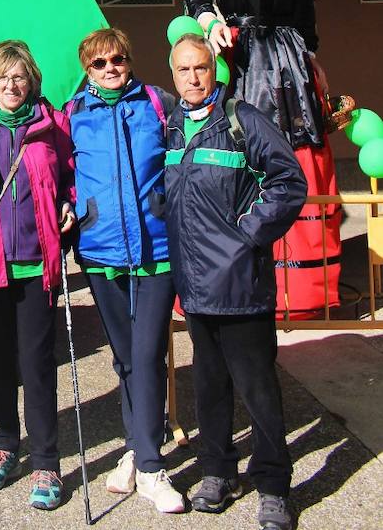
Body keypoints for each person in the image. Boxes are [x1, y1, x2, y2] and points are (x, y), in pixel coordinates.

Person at [181, 0, 340, 313]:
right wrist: (209, 21)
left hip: (287, 60)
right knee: (230, 154)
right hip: (235, 57)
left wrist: (311, 54)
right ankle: (228, 278)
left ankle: (303, 290)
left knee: (295, 154)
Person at [164, 34, 306, 530]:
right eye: (183, 70)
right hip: (195, 287)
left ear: (214, 69)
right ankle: (218, 472)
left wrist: (247, 235)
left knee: (258, 390)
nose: (193, 78)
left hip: (241, 285)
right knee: (209, 386)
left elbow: (289, 182)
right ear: (173, 75)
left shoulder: (242, 119)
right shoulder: (173, 127)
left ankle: (273, 486)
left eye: (200, 68)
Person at [66, 27, 183, 515]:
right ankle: (136, 449)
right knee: (126, 359)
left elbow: (182, 162)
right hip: (101, 251)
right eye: (99, 63)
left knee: (148, 352)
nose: (110, 68)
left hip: (156, 249)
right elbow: (60, 173)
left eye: (118, 59)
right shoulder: (72, 113)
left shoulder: (158, 103)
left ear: (130, 61)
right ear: (87, 69)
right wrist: (68, 206)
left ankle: (152, 467)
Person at [0, 39, 75, 512]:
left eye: (19, 76)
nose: (11, 85)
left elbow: (71, 174)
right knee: (0, 361)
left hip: (36, 263)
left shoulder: (52, 125)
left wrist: (68, 201)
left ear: (32, 82)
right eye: (3, 77)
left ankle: (46, 459)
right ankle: (5, 442)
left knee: (39, 362)